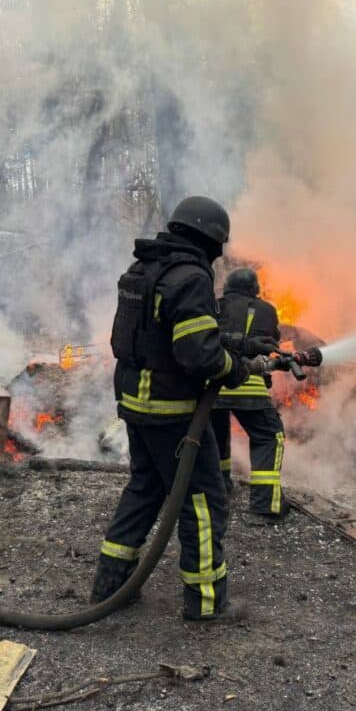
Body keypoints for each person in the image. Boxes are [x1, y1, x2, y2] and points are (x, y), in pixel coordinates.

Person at [92, 196, 253, 620]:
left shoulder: (143, 269)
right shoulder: (189, 277)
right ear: (212, 240)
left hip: (135, 403)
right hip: (172, 411)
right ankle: (204, 603)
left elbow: (156, 336)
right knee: (202, 500)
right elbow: (198, 355)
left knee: (145, 488)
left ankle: (112, 583)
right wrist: (233, 368)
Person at [212, 267, 291, 519]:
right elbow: (273, 339)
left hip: (213, 388)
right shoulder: (267, 309)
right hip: (250, 387)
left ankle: (220, 489)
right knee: (269, 437)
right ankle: (264, 505)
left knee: (216, 437)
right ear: (255, 289)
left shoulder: (215, 305)